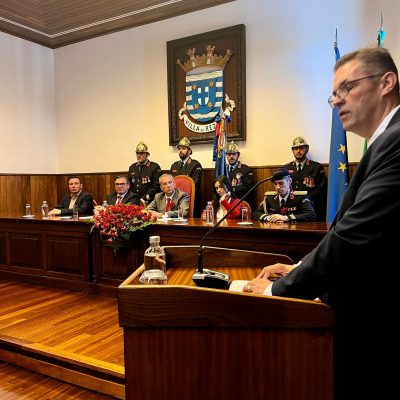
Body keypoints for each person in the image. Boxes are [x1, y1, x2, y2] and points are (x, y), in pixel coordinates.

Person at [244, 47, 400, 398]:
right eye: (334, 94)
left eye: (347, 88)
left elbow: (355, 236)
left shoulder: (396, 141)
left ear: (386, 82)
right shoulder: (383, 142)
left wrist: (274, 291)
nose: (336, 101)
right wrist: (298, 267)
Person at [283, 136, 327, 221]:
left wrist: (306, 198)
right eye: (295, 148)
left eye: (301, 148)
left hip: (311, 207)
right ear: (292, 151)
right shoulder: (286, 168)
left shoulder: (316, 167)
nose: (298, 151)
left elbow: (321, 188)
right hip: (292, 208)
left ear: (307, 149)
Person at [170, 137, 203, 216]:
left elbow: (195, 185)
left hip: (190, 201)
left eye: (183, 148)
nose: (181, 150)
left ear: (189, 151)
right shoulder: (174, 165)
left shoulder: (195, 164)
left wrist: (181, 197)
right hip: (175, 201)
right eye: (179, 149)